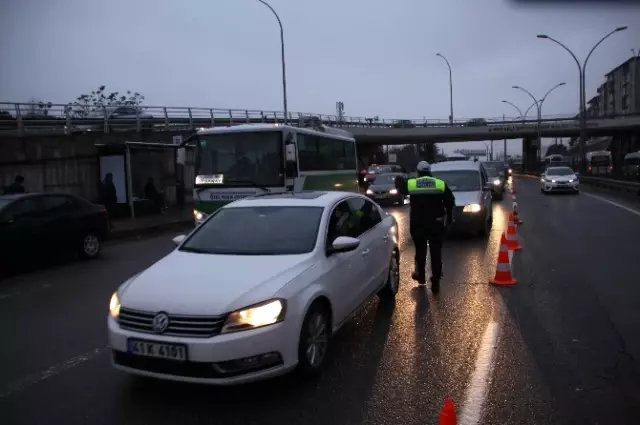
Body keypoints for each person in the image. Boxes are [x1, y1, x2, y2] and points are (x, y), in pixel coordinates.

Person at [395, 161, 455, 291]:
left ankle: (420, 275)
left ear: (418, 171)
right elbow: (450, 201)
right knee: (436, 251)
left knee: (420, 250)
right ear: (429, 171)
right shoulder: (439, 183)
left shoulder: (412, 183)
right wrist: (449, 218)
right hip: (436, 223)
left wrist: (398, 179)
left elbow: (400, 189)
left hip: (418, 223)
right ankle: (436, 278)